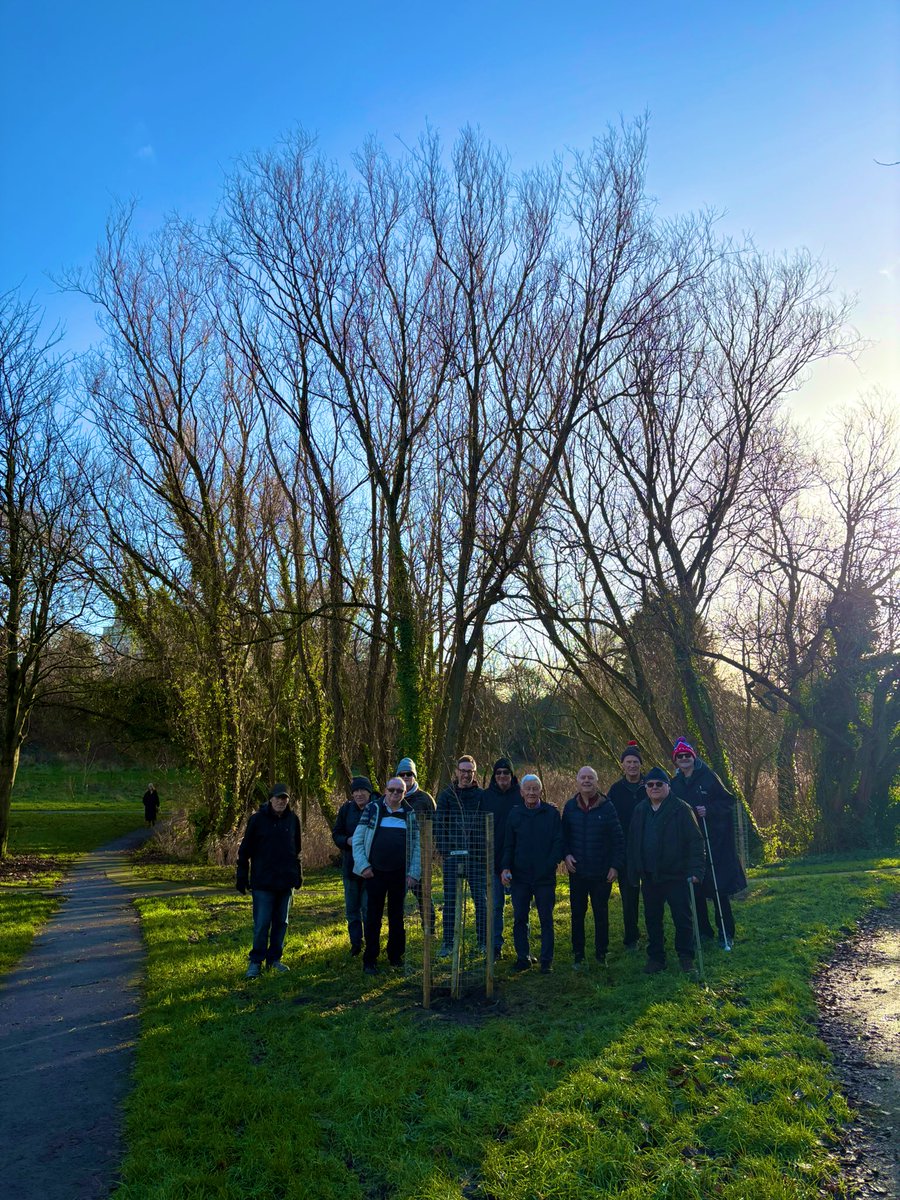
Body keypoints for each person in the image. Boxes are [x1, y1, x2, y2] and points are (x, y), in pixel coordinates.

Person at [668, 737, 747, 946]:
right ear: (675, 760)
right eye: (680, 756)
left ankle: (726, 931)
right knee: (695, 889)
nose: (684, 759)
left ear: (693, 757)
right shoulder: (674, 784)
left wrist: (709, 810)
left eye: (687, 755)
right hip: (689, 844)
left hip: (714, 843)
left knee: (718, 889)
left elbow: (728, 801)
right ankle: (704, 931)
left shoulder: (709, 776)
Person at [626, 766, 705, 974]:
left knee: (682, 918)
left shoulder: (681, 809)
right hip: (649, 875)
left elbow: (696, 841)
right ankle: (656, 957)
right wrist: (634, 869)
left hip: (676, 874)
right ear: (645, 788)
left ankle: (686, 957)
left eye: (659, 784)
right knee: (652, 918)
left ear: (668, 786)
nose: (654, 787)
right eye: (650, 784)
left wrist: (696, 870)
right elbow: (633, 841)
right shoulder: (640, 810)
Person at [352, 776, 421, 975]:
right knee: (373, 917)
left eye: (399, 791)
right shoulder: (372, 810)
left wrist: (413, 873)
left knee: (397, 917)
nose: (395, 794)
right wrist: (363, 866)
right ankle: (370, 959)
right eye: (391, 790)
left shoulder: (410, 814)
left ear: (404, 793)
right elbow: (358, 840)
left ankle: (395, 956)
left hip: (400, 874)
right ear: (385, 790)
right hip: (375, 873)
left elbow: (417, 846)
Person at [236, 782, 303, 978]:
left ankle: (274, 959)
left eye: (284, 798)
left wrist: (298, 874)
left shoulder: (293, 820)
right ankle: (256, 961)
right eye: (278, 798)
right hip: (263, 881)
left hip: (286, 881)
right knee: (262, 923)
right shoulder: (257, 820)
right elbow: (245, 850)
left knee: (281, 923)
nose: (281, 801)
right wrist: (242, 875)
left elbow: (296, 850)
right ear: (270, 799)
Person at [561, 766, 625, 968]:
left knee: (601, 913)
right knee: (577, 914)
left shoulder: (607, 807)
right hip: (577, 872)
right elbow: (563, 837)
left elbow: (618, 839)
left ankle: (601, 953)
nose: (586, 781)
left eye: (590, 778)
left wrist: (615, 866)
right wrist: (566, 855)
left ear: (597, 782)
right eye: (583, 777)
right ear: (577, 781)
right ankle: (578, 955)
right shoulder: (570, 807)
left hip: (601, 872)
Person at [501, 774, 562, 974]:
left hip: (545, 877)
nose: (531, 792)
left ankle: (546, 961)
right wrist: (506, 867)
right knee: (520, 918)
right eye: (527, 789)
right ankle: (523, 957)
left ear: (541, 791)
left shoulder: (552, 814)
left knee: (546, 919)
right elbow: (509, 844)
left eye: (535, 788)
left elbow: (558, 842)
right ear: (521, 792)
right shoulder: (514, 814)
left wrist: (550, 864)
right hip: (520, 876)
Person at [434, 755, 487, 956]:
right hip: (452, 856)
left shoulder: (481, 796)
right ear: (456, 771)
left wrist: (480, 850)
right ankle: (448, 943)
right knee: (450, 901)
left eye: (469, 771)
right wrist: (446, 851)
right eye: (462, 771)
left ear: (474, 773)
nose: (466, 775)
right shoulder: (447, 795)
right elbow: (439, 825)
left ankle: (483, 942)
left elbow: (487, 824)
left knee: (480, 900)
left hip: (476, 857)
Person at [479, 757, 522, 960]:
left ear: (512, 775)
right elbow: (479, 827)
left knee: (520, 907)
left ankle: (523, 948)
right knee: (496, 907)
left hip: (519, 861)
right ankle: (495, 946)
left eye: (506, 772)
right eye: (498, 773)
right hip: (493, 861)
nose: (502, 776)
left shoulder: (521, 794)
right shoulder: (486, 797)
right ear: (494, 776)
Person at [605, 742, 647, 948]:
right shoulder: (615, 790)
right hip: (625, 850)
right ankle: (631, 937)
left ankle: (655, 935)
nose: (632, 766)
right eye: (628, 762)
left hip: (648, 848)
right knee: (629, 896)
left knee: (652, 894)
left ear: (640, 764)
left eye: (635, 762)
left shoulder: (651, 786)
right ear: (622, 765)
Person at [332, 776, 376, 955]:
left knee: (368, 909)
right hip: (350, 868)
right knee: (352, 909)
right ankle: (356, 944)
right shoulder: (346, 809)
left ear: (369, 792)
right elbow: (336, 833)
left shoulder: (377, 809)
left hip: (371, 869)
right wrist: (346, 841)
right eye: (355, 791)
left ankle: (371, 944)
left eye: (362, 790)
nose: (359, 794)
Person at [395, 757, 436, 935]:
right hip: (397, 855)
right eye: (402, 774)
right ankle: (397, 933)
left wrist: (431, 850)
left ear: (414, 776)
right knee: (397, 898)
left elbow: (436, 825)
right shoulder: (392, 796)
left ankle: (429, 930)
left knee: (424, 895)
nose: (406, 777)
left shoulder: (425, 799)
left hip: (420, 855)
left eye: (409, 774)